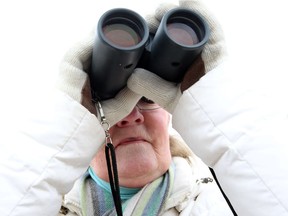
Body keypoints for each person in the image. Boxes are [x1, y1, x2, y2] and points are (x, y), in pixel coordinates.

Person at [1, 0, 288, 216]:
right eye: (112, 103)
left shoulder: (225, 205)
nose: (130, 116)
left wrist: (224, 113)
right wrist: (57, 139)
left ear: (171, 115)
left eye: (148, 101)